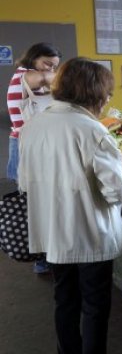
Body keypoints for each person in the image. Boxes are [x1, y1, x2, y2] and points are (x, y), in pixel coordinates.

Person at [18, 57, 122, 354]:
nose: (108, 100)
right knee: (94, 306)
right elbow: (115, 190)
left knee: (65, 300)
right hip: (90, 232)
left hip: (53, 232)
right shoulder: (91, 129)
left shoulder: (32, 126)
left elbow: (24, 181)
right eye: (106, 93)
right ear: (92, 92)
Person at [6, 42, 61, 275]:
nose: (49, 69)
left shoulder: (31, 78)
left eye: (54, 65)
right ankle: (41, 258)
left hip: (34, 146)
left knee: (39, 205)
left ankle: (43, 256)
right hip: (26, 148)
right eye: (46, 63)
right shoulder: (27, 75)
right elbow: (54, 82)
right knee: (35, 206)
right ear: (33, 58)